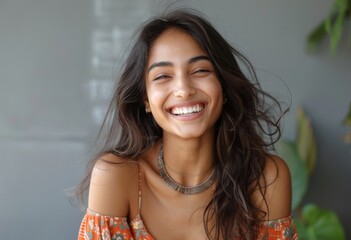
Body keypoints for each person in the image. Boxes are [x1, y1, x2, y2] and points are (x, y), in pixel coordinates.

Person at [77, 8, 297, 240]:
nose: (184, 89)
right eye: (163, 76)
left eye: (200, 70)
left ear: (224, 87)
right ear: (146, 100)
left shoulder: (265, 178)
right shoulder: (117, 176)